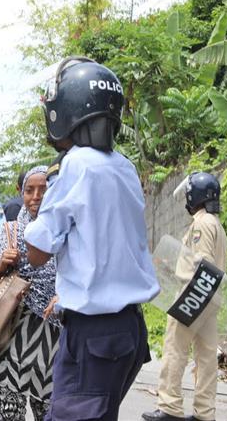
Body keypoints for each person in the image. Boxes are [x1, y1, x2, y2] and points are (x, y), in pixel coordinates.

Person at [23, 57, 160, 421]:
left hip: (95, 332)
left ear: (66, 111)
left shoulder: (77, 164)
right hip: (128, 330)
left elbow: (37, 251)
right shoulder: (124, 166)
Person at [142, 172, 227, 421]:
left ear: (195, 195)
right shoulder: (216, 224)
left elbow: (203, 262)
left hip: (194, 295)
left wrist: (191, 298)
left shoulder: (201, 224)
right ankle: (204, 413)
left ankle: (170, 407)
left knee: (175, 350)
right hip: (212, 298)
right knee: (206, 358)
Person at [0, 165, 59, 421]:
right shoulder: (8, 231)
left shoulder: (69, 230)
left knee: (50, 411)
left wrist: (67, 293)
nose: (36, 196)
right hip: (10, 330)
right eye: (29, 190)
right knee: (7, 411)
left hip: (54, 334)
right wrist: (0, 266)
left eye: (44, 190)